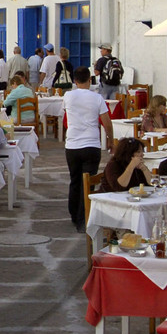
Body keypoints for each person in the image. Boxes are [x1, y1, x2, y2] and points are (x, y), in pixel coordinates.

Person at [63, 66, 114, 229]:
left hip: (72, 144)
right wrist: (110, 140)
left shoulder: (68, 96)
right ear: (90, 80)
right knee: (88, 182)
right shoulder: (97, 98)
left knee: (75, 180)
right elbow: (107, 122)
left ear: (75, 81)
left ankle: (73, 213)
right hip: (91, 143)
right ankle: (82, 217)